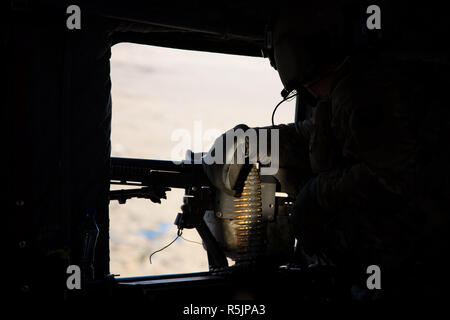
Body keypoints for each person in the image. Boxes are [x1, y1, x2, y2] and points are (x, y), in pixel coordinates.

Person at [205, 1, 450, 301]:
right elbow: (308, 136)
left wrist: (315, 195)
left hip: (403, 270)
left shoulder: (359, 92)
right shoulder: (338, 93)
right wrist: (252, 142)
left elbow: (390, 177)